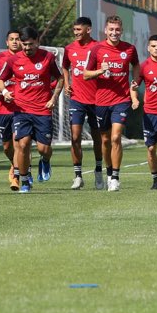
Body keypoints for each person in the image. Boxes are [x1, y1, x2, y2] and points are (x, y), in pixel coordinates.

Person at [0, 26, 64, 193]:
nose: (27, 48)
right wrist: (4, 92)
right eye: (24, 44)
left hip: (43, 111)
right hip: (21, 111)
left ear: (38, 42)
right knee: (23, 145)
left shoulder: (48, 57)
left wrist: (53, 98)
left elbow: (60, 78)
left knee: (43, 149)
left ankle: (45, 161)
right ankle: (24, 180)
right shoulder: (13, 60)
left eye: (30, 44)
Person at [85, 16, 139, 192]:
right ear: (105, 31)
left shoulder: (129, 49)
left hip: (121, 100)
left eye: (117, 29)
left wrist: (135, 81)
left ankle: (115, 177)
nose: (114, 32)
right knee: (105, 140)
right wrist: (101, 70)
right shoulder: (97, 49)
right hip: (101, 101)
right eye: (111, 29)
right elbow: (86, 74)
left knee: (116, 137)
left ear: (121, 31)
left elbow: (136, 65)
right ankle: (107, 172)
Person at [61, 16, 104, 190]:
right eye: (74, 30)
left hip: (97, 99)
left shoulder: (98, 47)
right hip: (77, 98)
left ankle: (99, 171)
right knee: (75, 136)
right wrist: (66, 82)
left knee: (97, 138)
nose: (76, 33)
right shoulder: (69, 48)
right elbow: (64, 66)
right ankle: (78, 176)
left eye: (79, 30)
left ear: (88, 29)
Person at [0, 29, 28, 190]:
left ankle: (17, 176)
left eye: (18, 39)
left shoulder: (26, 57)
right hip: (3, 109)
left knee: (19, 143)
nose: (15, 42)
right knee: (6, 147)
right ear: (7, 42)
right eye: (12, 39)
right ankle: (14, 163)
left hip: (22, 109)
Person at [131, 34, 157, 189]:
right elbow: (133, 85)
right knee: (151, 148)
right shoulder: (143, 66)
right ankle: (155, 180)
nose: (156, 48)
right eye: (153, 46)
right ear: (148, 48)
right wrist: (135, 99)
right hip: (150, 114)